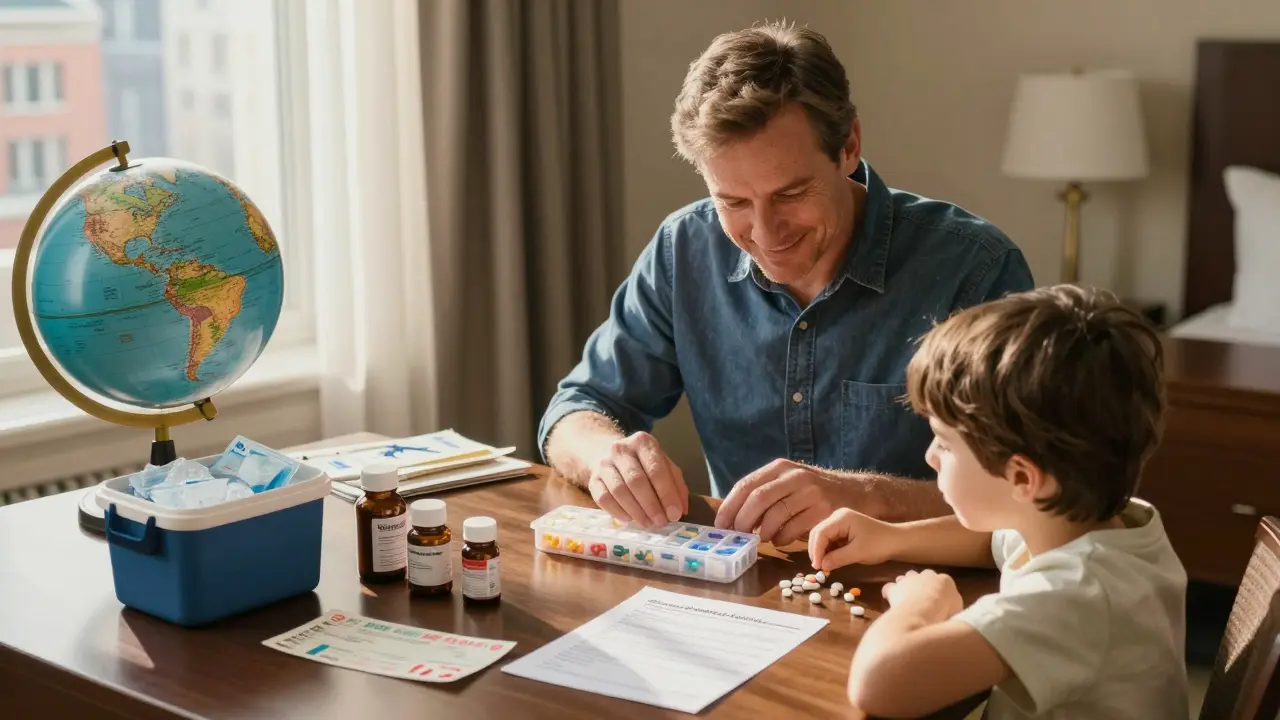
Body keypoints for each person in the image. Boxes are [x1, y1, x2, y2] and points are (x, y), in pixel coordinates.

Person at [537, 20, 1034, 544]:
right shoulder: (683, 249)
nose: (765, 232)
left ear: (849, 147)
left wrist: (867, 497)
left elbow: (1034, 495)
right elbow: (577, 408)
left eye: (791, 193)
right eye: (732, 202)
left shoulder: (974, 269)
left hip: (926, 593)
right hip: (745, 586)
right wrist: (606, 458)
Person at [807, 284, 1189, 719]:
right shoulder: (1103, 522)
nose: (930, 456)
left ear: (1023, 478)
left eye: (946, 445)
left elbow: (879, 685)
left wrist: (921, 605)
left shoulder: (1074, 596)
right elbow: (993, 540)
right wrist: (891, 538)